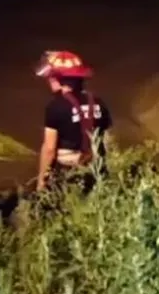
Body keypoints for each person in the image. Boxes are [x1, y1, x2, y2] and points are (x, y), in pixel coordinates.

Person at [34, 50, 112, 194]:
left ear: (57, 80)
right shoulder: (99, 103)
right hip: (94, 168)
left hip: (67, 171)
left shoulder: (55, 107)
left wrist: (41, 182)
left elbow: (49, 149)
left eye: (50, 77)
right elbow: (107, 140)